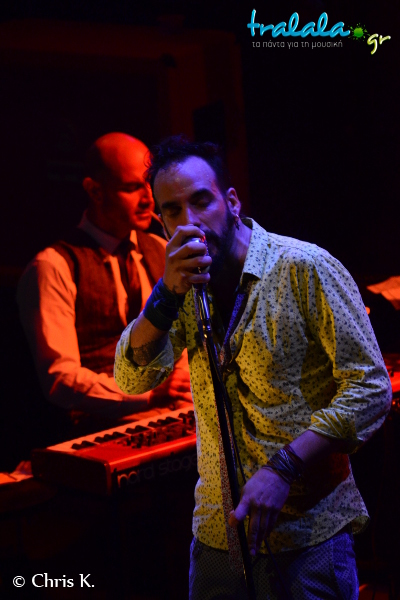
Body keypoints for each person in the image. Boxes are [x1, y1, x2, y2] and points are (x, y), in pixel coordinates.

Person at [114, 136, 392, 599]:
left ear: (231, 201)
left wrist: (284, 466)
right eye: (173, 210)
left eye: (201, 201)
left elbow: (371, 388)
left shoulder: (305, 267)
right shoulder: (181, 287)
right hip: (217, 536)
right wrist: (164, 295)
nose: (190, 221)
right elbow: (131, 377)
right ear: (161, 222)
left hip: (307, 535)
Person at [17, 132, 192, 439]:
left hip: (169, 418)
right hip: (96, 432)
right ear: (95, 191)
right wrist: (148, 394)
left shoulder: (159, 248)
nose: (149, 199)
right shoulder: (53, 266)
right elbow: (60, 379)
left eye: (149, 183)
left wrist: (182, 379)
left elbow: (186, 336)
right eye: (132, 188)